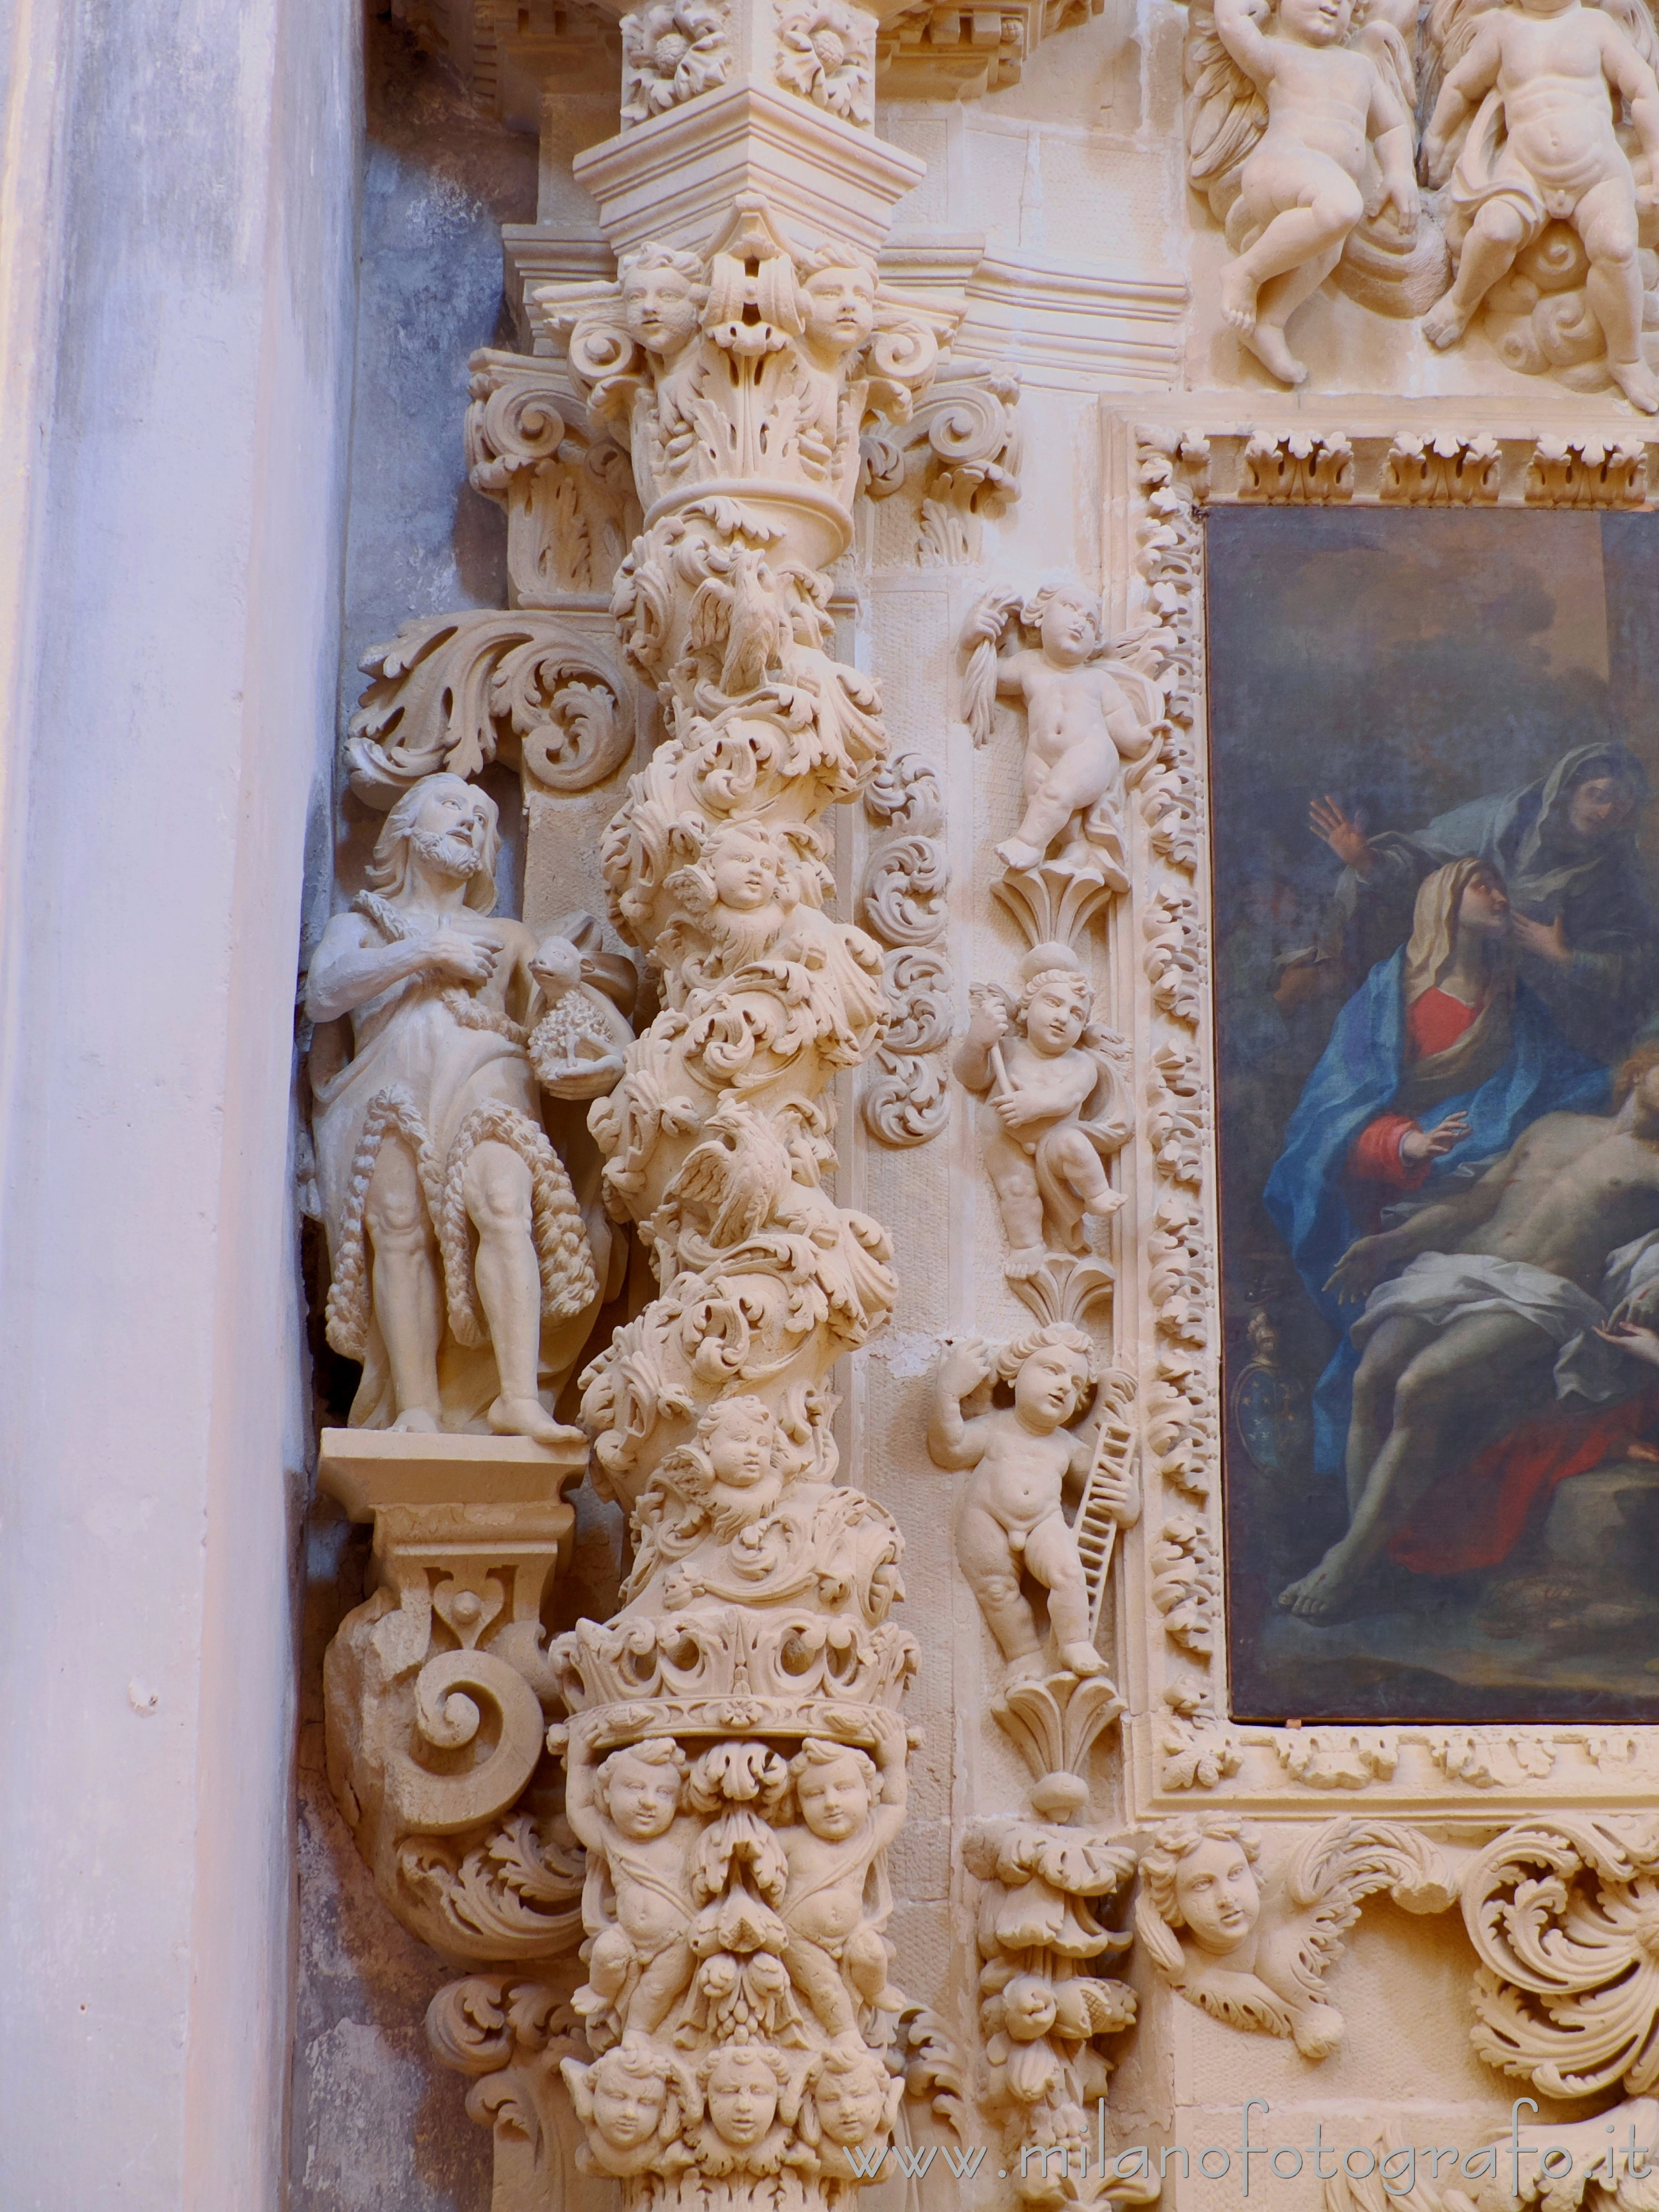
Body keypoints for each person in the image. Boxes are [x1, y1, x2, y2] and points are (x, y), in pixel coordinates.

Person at [1266, 858, 1610, 1486]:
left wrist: (1631, 1080)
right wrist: (1408, 1143)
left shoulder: (1512, 1000)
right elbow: (1327, 1120)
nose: (1500, 896)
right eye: (1484, 884)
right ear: (1442, 900)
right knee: (1391, 1367)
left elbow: (1563, 1083)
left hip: (1500, 1192)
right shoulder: (1390, 995)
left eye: (1503, 884)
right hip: (1405, 1204)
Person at [1280, 1049, 1659, 1618]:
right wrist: (1392, 1243)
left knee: (1419, 1384)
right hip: (1461, 1266)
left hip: (1543, 1295)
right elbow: (1476, 1202)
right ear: (1640, 1069)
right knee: (1372, 1378)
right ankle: (1369, 1557)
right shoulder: (1555, 1126)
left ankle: (1346, 1562)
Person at [305, 772, 599, 1439]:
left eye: (485, 818)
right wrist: (424, 952)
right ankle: (415, 1407)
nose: (471, 820)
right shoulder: (364, 925)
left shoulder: (506, 936)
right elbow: (325, 993)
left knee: (504, 1201)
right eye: (452, 804)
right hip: (390, 1090)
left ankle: (518, 1396)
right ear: (405, 827)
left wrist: (567, 982)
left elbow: (564, 1033)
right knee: (398, 1226)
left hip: (486, 1082)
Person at [1307, 742, 1653, 1060]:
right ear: (1569, 788)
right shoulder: (1502, 820)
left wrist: (1563, 956)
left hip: (1546, 1015)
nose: (1607, 812)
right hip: (1458, 973)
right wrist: (1367, 860)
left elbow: (1641, 966)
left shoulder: (1620, 873)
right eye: (1598, 795)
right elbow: (1429, 865)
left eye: (1621, 804)